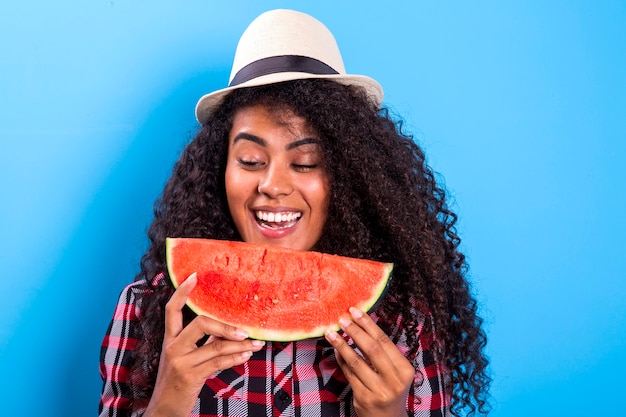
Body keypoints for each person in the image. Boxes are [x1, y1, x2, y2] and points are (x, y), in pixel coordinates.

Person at [99, 8, 490, 417]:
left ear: (347, 177)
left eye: (305, 163)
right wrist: (167, 404)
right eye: (251, 160)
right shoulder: (148, 309)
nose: (273, 185)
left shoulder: (403, 324)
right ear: (220, 170)